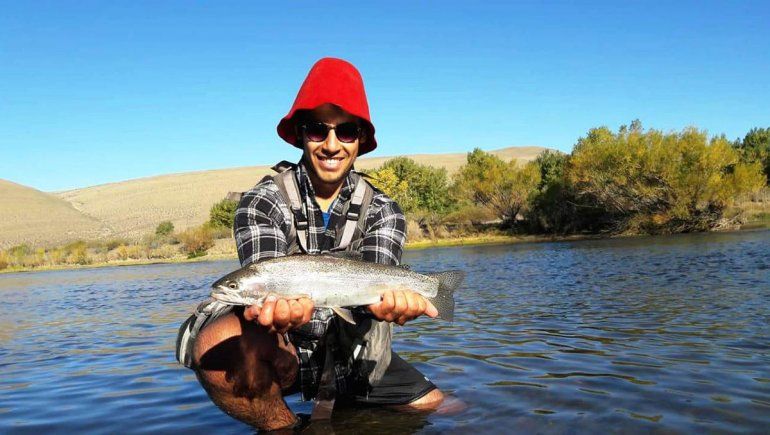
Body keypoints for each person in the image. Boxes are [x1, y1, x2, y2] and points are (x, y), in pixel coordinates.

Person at [176, 58, 443, 431]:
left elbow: (374, 295)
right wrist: (274, 316)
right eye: (318, 129)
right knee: (217, 342)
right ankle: (284, 427)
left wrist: (394, 304)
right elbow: (266, 295)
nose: (332, 144)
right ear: (301, 134)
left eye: (346, 131)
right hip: (286, 354)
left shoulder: (385, 211)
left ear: (360, 140)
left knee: (445, 410)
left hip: (356, 356)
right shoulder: (261, 203)